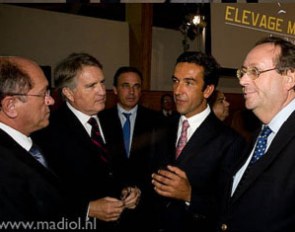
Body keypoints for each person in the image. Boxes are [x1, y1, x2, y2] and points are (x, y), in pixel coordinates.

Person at [33, 53, 140, 231]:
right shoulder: (47, 131)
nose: (101, 91)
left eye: (102, 82)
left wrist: (128, 190)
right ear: (68, 93)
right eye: (91, 86)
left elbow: (118, 168)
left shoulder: (110, 120)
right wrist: (87, 209)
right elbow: (42, 196)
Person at [151, 51, 246, 232]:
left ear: (208, 90)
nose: (177, 91)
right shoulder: (160, 127)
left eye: (188, 82)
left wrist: (189, 195)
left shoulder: (230, 142)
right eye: (175, 81)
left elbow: (228, 205)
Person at [218, 36, 295, 231]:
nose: (243, 80)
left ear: (289, 78)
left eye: (255, 71)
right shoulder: (259, 135)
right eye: (242, 72)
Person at [0, 56, 66, 221]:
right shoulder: (5, 169)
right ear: (11, 106)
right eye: (43, 93)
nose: (50, 101)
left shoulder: (36, 140)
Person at [99, 66, 161, 231]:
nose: (131, 91)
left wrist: (140, 190)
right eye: (125, 86)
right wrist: (120, 190)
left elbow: (159, 163)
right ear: (115, 90)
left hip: (145, 207)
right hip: (109, 207)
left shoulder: (157, 120)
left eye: (136, 86)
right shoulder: (99, 120)